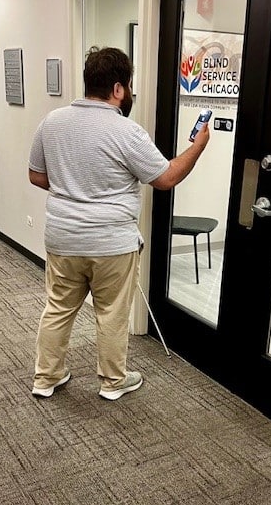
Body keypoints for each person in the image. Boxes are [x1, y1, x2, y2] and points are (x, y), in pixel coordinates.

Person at [28, 46, 210, 400]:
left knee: (58, 307)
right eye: (128, 85)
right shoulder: (128, 132)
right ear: (117, 88)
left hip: (62, 238)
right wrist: (199, 145)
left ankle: (46, 378)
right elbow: (166, 178)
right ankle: (113, 382)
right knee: (111, 313)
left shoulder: (51, 122)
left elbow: (36, 176)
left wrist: (72, 187)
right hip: (112, 243)